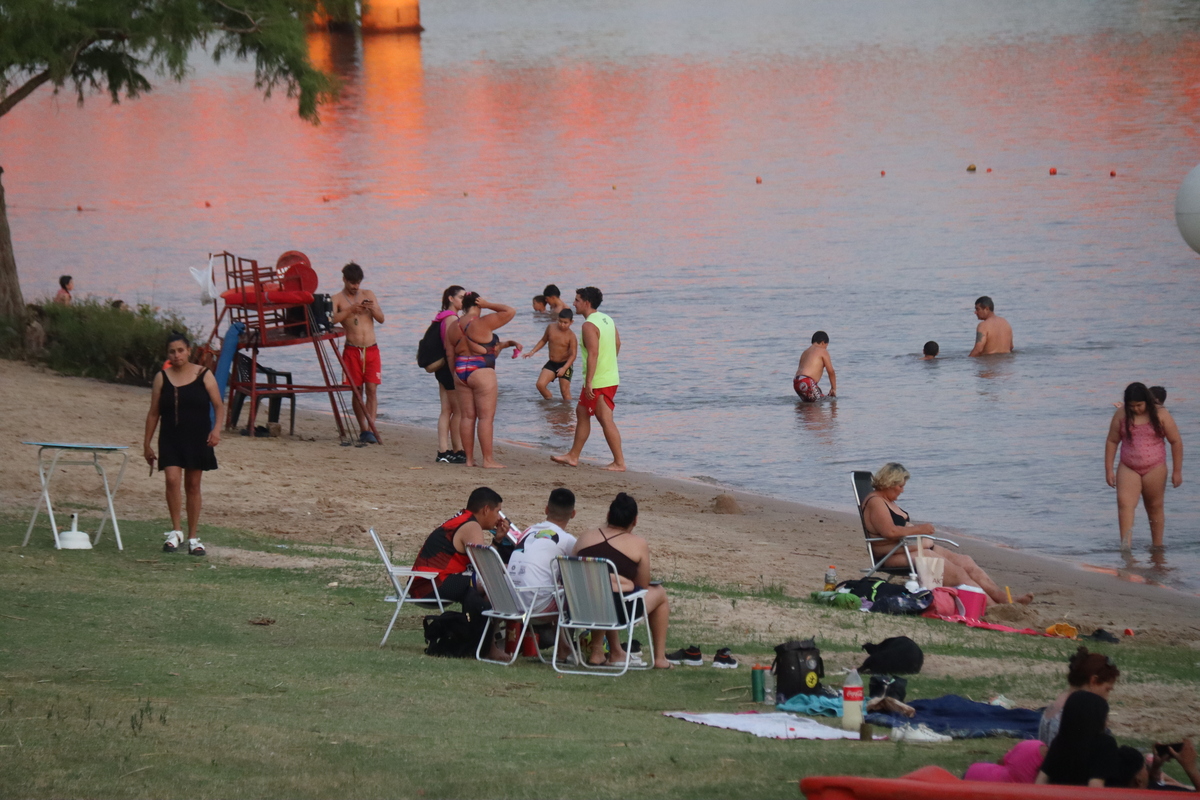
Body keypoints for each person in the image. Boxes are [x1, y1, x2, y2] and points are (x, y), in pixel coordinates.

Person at [860, 462, 1033, 605]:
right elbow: (890, 531)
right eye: (900, 486)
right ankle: (990, 606)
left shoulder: (886, 500)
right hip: (891, 554)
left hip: (905, 547)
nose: (902, 490)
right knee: (958, 573)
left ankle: (1003, 598)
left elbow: (898, 526)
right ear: (890, 482)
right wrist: (919, 530)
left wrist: (917, 532)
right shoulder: (876, 502)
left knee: (965, 561)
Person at [142, 332, 224, 556]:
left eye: (180, 350)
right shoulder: (162, 377)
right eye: (172, 352)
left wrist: (216, 430)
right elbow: (153, 413)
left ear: (189, 351)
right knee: (171, 480)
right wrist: (146, 444)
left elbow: (218, 405)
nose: (176, 355)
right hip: (170, 437)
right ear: (167, 354)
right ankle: (176, 530)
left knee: (193, 485)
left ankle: (193, 537)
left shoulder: (204, 374)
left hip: (198, 437)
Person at [410, 487, 512, 660]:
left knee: (488, 584)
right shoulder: (472, 526)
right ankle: (488, 646)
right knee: (492, 583)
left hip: (425, 583)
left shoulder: (463, 519)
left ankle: (484, 643)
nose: (499, 518)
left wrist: (497, 540)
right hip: (431, 585)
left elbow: (482, 563)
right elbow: (485, 567)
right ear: (486, 509)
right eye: (498, 512)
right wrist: (513, 568)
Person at [572, 493, 671, 668]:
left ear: (608, 515)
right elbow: (643, 584)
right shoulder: (638, 543)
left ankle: (604, 652)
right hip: (616, 611)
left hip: (578, 606)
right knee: (659, 593)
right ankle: (660, 659)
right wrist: (626, 581)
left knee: (604, 592)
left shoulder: (585, 537)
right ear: (635, 521)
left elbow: (573, 573)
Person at [552, 287, 625, 471]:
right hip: (607, 376)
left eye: (577, 300)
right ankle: (573, 456)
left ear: (586, 303)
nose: (574, 303)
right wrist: (609, 365)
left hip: (599, 380)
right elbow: (617, 343)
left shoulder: (589, 325)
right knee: (582, 412)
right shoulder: (607, 319)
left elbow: (593, 354)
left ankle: (619, 462)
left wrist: (590, 382)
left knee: (604, 418)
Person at [1105, 382, 1184, 551]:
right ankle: (1125, 548)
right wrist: (1109, 470)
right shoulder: (1121, 414)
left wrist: (1177, 471)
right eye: (1131, 406)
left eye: (1139, 405)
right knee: (1124, 504)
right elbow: (1112, 441)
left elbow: (1175, 441)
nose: (1135, 409)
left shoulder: (1161, 414)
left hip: (1155, 467)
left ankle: (1157, 547)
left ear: (1147, 401)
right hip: (1128, 467)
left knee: (1154, 506)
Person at [445, 293, 520, 468]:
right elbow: (510, 311)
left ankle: (469, 460)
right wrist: (488, 304)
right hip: (481, 371)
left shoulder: (453, 326)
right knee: (485, 418)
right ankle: (487, 459)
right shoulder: (482, 322)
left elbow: (450, 354)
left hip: (460, 370)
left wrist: (455, 375)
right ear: (478, 304)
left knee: (467, 417)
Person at [507, 488, 579, 661]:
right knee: (573, 595)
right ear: (573, 514)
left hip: (508, 603)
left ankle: (563, 646)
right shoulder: (567, 540)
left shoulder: (528, 531)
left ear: (546, 509)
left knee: (551, 588)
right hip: (535, 607)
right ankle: (565, 648)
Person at [331, 262, 384, 444]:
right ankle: (363, 429)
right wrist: (350, 310)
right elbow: (332, 320)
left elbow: (381, 319)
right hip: (352, 349)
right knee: (357, 391)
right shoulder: (337, 299)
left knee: (372, 389)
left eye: (358, 283)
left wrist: (372, 308)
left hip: (371, 348)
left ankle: (371, 428)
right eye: (352, 283)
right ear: (344, 280)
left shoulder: (368, 294)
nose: (355, 286)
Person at [1038, 647, 1120, 745]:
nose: (1106, 697)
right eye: (1107, 689)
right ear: (1093, 681)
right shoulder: (1078, 716)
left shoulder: (1055, 707)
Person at [421, 285, 466, 464]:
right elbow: (450, 348)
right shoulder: (451, 319)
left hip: (442, 369)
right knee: (458, 411)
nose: (463, 300)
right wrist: (455, 372)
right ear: (451, 298)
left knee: (447, 410)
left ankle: (443, 452)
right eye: (461, 297)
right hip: (448, 368)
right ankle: (457, 450)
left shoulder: (441, 317)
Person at [1036, 691, 1119, 786]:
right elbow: (1095, 786)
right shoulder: (1105, 743)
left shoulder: (1060, 741)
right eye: (1105, 717)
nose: (1107, 722)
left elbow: (1040, 782)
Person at [524, 308, 576, 402]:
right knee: (540, 385)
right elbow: (543, 340)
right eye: (560, 321)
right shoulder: (551, 327)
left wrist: (564, 368)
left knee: (565, 392)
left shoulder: (571, 336)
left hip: (565, 364)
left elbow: (573, 355)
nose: (562, 324)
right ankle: (551, 404)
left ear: (571, 322)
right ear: (557, 319)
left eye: (565, 323)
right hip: (552, 363)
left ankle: (568, 409)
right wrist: (532, 352)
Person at [793, 331, 836, 402]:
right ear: (823, 343)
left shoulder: (805, 352)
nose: (826, 348)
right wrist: (833, 388)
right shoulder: (823, 351)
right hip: (807, 381)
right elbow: (831, 371)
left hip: (797, 381)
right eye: (826, 346)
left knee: (809, 404)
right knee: (824, 401)